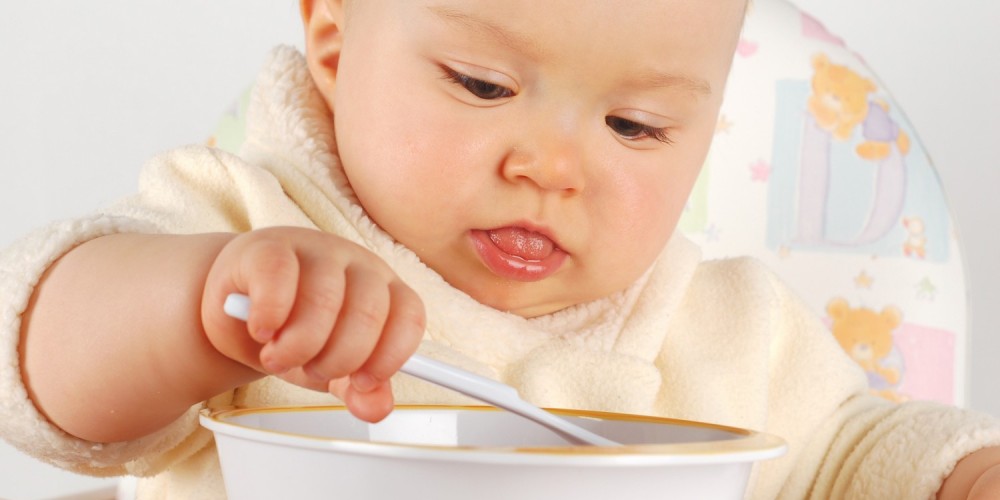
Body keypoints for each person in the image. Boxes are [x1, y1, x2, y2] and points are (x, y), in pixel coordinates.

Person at [2, 0, 999, 498]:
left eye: (635, 127)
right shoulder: (244, 221)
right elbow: (38, 371)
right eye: (483, 85)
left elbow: (852, 458)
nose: (552, 167)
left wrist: (960, 474)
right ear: (337, 40)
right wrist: (198, 307)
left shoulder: (725, 329)